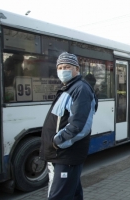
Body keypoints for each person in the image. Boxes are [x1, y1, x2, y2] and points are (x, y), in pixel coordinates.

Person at [40, 52, 98, 200]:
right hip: (62, 155)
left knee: (58, 196)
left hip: (65, 155)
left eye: (67, 67)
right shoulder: (68, 87)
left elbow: (80, 125)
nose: (62, 70)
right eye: (60, 67)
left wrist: (57, 142)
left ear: (77, 69)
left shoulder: (80, 88)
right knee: (72, 194)